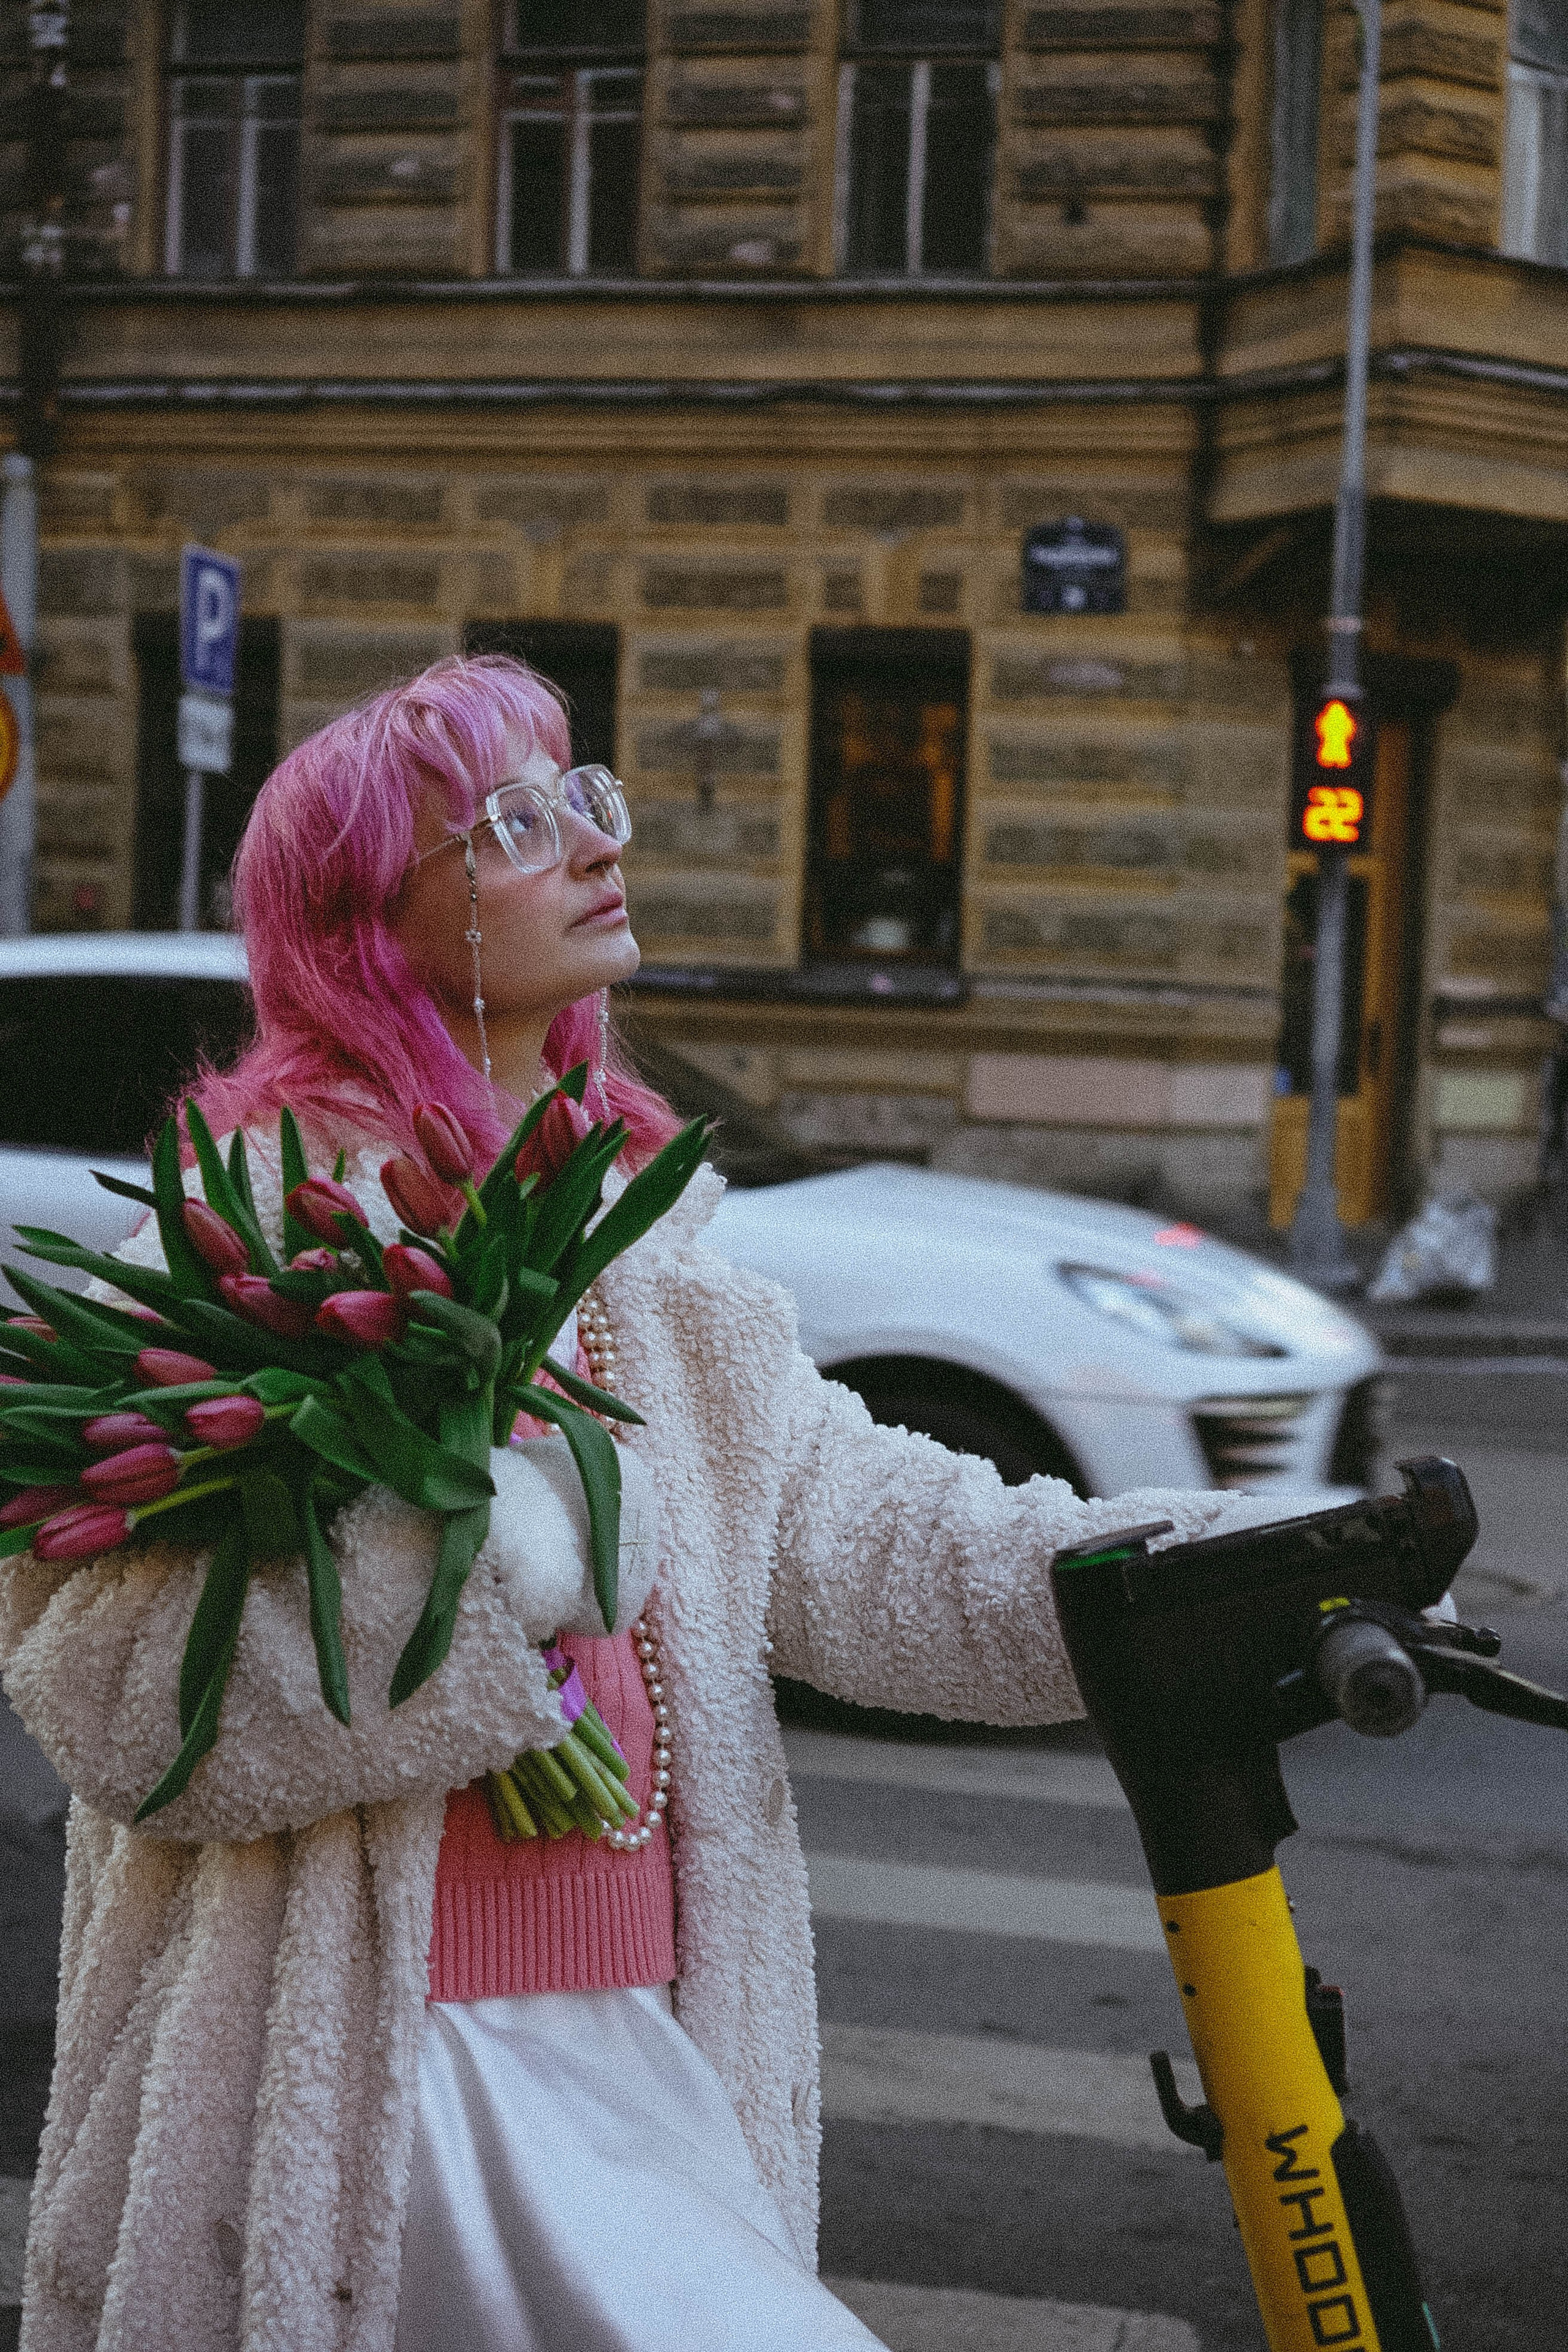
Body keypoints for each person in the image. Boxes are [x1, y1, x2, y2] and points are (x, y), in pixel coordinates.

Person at [0, 655, 1267, 2352]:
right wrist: (492, 1557)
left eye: (586, 797)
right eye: (518, 822)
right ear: (382, 917)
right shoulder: (255, 1246)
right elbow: (123, 1698)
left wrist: (1198, 1575)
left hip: (640, 2043)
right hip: (401, 2075)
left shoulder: (644, 1256)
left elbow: (864, 1535)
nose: (600, 843)